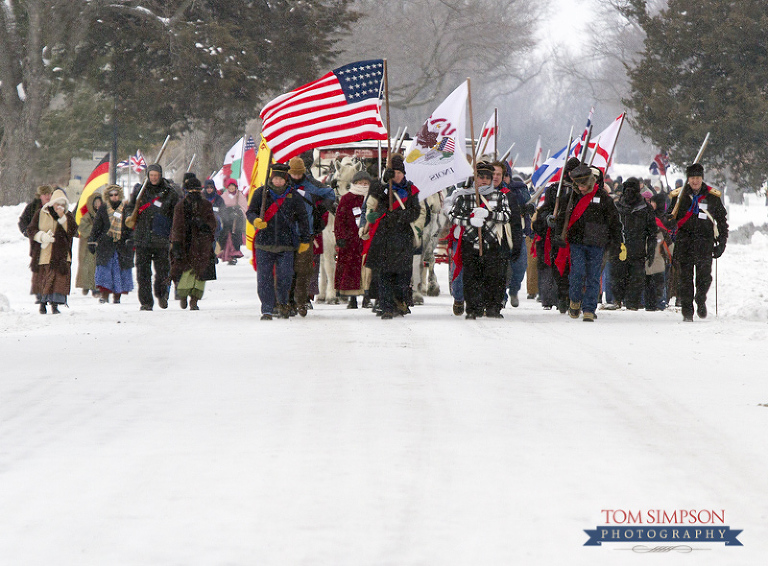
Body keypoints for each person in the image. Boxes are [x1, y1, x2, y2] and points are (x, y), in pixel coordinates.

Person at [447, 161, 513, 319]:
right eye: (480, 177)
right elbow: (452, 216)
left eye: (487, 177)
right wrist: (469, 221)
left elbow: (506, 216)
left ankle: (493, 308)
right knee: (471, 278)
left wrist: (489, 215)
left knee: (494, 277)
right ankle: (473, 308)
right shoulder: (465, 196)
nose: (484, 180)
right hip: (470, 242)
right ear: (474, 178)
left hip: (492, 243)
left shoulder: (499, 196)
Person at [246, 163, 311, 320]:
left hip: (286, 244)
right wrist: (256, 221)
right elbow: (250, 212)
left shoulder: (294, 196)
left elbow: (303, 219)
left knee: (285, 277)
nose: (278, 182)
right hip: (264, 243)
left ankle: (282, 303)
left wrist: (305, 240)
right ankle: (267, 309)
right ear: (271, 178)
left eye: (281, 179)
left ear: (285, 179)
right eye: (275, 178)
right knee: (264, 279)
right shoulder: (261, 194)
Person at [364, 154, 423, 319]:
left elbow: (415, 211)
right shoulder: (384, 188)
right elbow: (375, 196)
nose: (397, 175)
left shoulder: (411, 190)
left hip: (403, 237)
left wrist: (400, 217)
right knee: (385, 274)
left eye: (399, 172)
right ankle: (386, 306)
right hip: (385, 236)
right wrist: (384, 181)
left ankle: (399, 301)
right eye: (394, 172)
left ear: (404, 173)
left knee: (402, 275)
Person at [561, 164, 622, 322]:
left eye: (583, 184)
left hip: (597, 243)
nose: (581, 188)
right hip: (577, 241)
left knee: (593, 277)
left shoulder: (603, 198)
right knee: (577, 273)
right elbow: (563, 217)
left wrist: (618, 241)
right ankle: (575, 300)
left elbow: (614, 221)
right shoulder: (572, 196)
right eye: (578, 185)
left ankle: (589, 308)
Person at [668, 163, 728, 321]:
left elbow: (722, 221)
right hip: (684, 242)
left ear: (702, 179)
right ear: (688, 179)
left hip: (704, 243)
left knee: (704, 277)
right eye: (692, 178)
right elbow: (668, 218)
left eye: (698, 178)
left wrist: (722, 242)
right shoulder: (679, 196)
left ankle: (700, 298)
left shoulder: (712, 197)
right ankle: (687, 310)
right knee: (685, 279)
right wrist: (668, 220)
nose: (695, 181)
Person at [287, 156, 335, 316]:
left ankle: (302, 301)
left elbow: (330, 194)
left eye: (299, 174)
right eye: (294, 174)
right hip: (285, 235)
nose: (296, 177)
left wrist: (320, 210)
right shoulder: (282, 184)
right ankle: (287, 301)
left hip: (305, 234)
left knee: (304, 270)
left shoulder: (311, 184)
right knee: (286, 270)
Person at [533, 157, 581, 312]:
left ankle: (572, 297)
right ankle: (562, 296)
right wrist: (548, 217)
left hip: (576, 234)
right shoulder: (556, 189)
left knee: (574, 268)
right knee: (558, 267)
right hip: (557, 234)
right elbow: (546, 208)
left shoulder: (582, 190)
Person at [130, 163, 179, 311]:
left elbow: (175, 215)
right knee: (142, 273)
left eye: (156, 175)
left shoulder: (170, 193)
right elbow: (130, 209)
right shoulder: (140, 192)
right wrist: (129, 217)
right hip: (142, 238)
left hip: (161, 238)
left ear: (160, 175)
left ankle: (162, 294)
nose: (154, 178)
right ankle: (146, 302)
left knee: (163, 271)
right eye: (151, 175)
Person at [606, 177, 656, 310]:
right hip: (619, 249)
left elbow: (652, 232)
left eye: (632, 189)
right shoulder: (617, 207)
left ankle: (632, 304)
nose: (629, 193)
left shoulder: (645, 208)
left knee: (636, 279)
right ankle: (617, 300)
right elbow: (611, 228)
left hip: (638, 249)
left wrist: (651, 250)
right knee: (617, 277)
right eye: (626, 189)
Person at [26, 188, 78, 314]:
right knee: (45, 279)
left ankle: (55, 304)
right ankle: (43, 304)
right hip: (44, 253)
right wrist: (41, 236)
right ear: (52, 203)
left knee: (59, 279)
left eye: (62, 204)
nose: (59, 206)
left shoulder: (68, 216)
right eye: (57, 203)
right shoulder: (41, 213)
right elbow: (31, 229)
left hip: (61, 254)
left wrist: (62, 219)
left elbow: (72, 231)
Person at [170, 177, 217, 310]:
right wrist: (177, 244)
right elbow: (176, 227)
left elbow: (213, 223)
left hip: (202, 245)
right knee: (185, 274)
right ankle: (184, 296)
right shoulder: (180, 206)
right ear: (186, 191)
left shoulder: (206, 205)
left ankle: (194, 300)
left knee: (200, 276)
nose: (194, 192)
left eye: (197, 190)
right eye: (191, 190)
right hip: (186, 244)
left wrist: (204, 226)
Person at [89, 185, 135, 303]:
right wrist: (92, 241)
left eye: (116, 195)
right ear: (107, 196)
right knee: (104, 271)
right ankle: (104, 295)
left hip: (122, 246)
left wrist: (131, 239)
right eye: (111, 195)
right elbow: (97, 227)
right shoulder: (103, 208)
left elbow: (131, 226)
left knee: (120, 272)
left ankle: (117, 297)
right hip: (105, 245)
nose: (114, 197)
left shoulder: (126, 208)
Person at [334, 170, 371, 308]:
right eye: (360, 183)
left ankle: (367, 296)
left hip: (367, 240)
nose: (363, 185)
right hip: (350, 242)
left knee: (367, 270)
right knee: (350, 271)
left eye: (366, 183)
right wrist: (341, 237)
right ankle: (352, 298)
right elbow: (339, 220)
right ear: (354, 183)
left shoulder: (372, 198)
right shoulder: (347, 198)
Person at [500, 165, 527, 308]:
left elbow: (528, 204)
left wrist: (526, 208)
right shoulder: (495, 192)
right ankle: (501, 296)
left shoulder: (519, 189)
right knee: (501, 268)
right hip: (502, 233)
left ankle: (514, 290)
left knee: (520, 266)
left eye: (505, 175)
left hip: (518, 232)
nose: (503, 178)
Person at [75, 190, 103, 298]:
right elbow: (82, 228)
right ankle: (86, 285)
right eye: (95, 203)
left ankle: (95, 286)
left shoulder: (102, 215)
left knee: (96, 266)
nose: (97, 205)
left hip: (98, 245)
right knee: (87, 266)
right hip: (87, 245)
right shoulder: (87, 216)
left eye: (99, 203)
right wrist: (95, 229)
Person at [218, 179, 248, 265]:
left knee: (236, 237)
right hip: (227, 222)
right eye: (230, 186)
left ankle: (234, 254)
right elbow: (221, 207)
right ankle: (228, 255)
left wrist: (238, 212)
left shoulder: (240, 195)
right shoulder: (224, 196)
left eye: (233, 186)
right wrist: (226, 213)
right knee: (227, 238)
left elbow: (244, 207)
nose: (231, 188)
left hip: (236, 220)